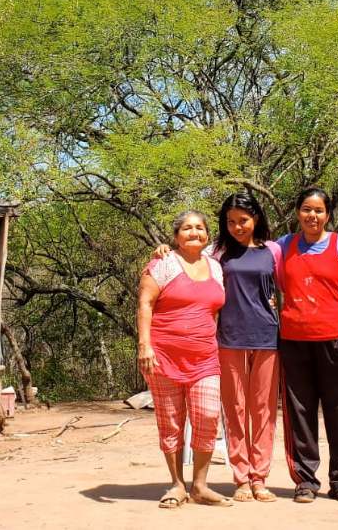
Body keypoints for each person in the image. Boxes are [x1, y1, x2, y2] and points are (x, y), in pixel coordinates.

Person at [137, 210, 232, 509]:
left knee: (206, 417)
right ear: (176, 236)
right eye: (187, 228)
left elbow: (214, 310)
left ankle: (201, 486)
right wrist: (144, 345)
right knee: (171, 422)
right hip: (163, 355)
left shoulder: (216, 268)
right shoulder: (163, 263)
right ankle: (177, 485)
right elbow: (145, 303)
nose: (194, 232)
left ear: (207, 235)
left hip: (204, 357)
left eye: (200, 228)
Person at [277, 187, 338, 504]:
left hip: (335, 341)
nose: (311, 215)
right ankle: (305, 481)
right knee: (299, 415)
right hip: (294, 342)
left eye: (318, 210)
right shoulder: (283, 246)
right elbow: (251, 260)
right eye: (305, 209)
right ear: (298, 213)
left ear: (327, 215)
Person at [210, 192, 282, 502]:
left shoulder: (273, 251)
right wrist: (162, 252)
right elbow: (186, 260)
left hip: (267, 337)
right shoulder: (217, 253)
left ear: (256, 219)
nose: (237, 226)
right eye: (231, 222)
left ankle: (259, 478)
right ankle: (241, 477)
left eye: (243, 220)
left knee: (263, 410)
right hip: (229, 338)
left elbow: (284, 288)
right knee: (235, 409)